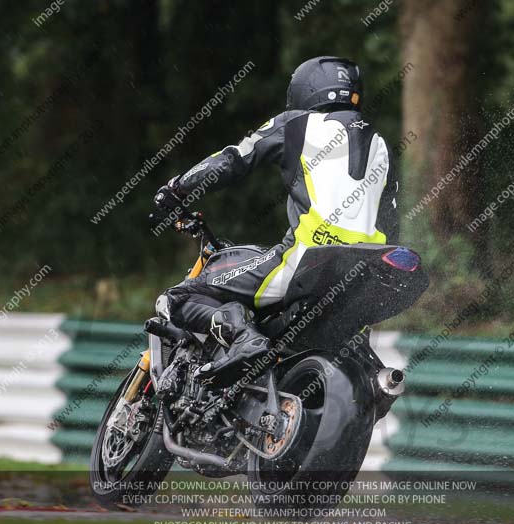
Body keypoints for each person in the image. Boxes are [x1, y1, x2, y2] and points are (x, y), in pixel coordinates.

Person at [155, 56, 399, 387]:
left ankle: (244, 339)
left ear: (307, 90)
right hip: (368, 267)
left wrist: (177, 188)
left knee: (179, 298)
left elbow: (233, 159)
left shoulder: (297, 123)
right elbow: (392, 218)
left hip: (307, 259)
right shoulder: (380, 144)